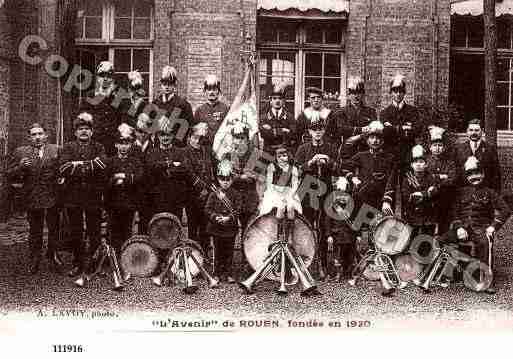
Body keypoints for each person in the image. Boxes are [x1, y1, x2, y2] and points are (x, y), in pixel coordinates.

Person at [442, 156, 511, 294]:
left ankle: (486, 280)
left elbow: (506, 210)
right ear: (467, 176)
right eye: (471, 174)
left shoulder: (490, 192)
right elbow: (453, 212)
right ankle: (447, 273)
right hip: (463, 228)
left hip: (481, 229)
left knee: (485, 243)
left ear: (483, 174)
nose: (475, 177)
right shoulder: (461, 192)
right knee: (440, 240)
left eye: (478, 173)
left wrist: (493, 226)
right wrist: (459, 227)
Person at [7, 123, 63, 274]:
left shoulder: (56, 150)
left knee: (54, 228)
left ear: (46, 135)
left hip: (52, 196)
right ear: (29, 137)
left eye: (40, 134)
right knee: (35, 230)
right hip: (32, 196)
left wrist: (61, 180)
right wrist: (20, 167)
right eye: (34, 134)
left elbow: (62, 170)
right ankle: (34, 257)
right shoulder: (20, 152)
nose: (37, 137)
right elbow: (9, 173)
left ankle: (53, 255)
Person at [59, 112, 107, 278]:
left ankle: (94, 263)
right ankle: (78, 263)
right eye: (80, 129)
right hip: (73, 196)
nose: (84, 132)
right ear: (75, 132)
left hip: (93, 195)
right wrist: (89, 165)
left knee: (94, 231)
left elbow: (102, 164)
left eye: (87, 129)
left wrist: (77, 164)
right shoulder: (68, 147)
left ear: (92, 132)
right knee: (76, 231)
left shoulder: (98, 147)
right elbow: (64, 167)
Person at [295, 118, 338, 279]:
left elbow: (338, 169)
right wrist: (310, 163)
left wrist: (329, 162)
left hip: (325, 193)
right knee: (306, 227)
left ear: (324, 131)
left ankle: (322, 264)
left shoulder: (331, 148)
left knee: (322, 228)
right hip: (306, 193)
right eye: (314, 129)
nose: (317, 132)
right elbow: (296, 171)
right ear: (309, 131)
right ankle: (305, 263)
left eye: (320, 129)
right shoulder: (303, 149)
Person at [104, 124, 144, 256]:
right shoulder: (110, 161)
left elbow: (139, 178)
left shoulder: (135, 162)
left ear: (131, 145)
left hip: (129, 203)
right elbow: (105, 181)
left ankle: (126, 259)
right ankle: (113, 260)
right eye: (120, 143)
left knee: (127, 231)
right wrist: (113, 179)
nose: (123, 147)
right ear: (116, 145)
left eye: (126, 143)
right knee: (113, 232)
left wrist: (122, 176)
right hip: (113, 203)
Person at [145, 116, 192, 219]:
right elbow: (151, 168)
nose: (165, 138)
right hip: (157, 197)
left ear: (173, 135)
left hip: (176, 197)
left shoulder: (180, 152)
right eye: (162, 135)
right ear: (157, 135)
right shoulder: (152, 152)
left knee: (175, 226)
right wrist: (170, 164)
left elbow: (185, 170)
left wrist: (162, 168)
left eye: (168, 135)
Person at [205, 160, 242, 283]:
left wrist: (229, 218)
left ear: (232, 179)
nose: (225, 182)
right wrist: (215, 217)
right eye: (222, 179)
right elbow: (208, 209)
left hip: (230, 228)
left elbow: (238, 210)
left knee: (229, 252)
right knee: (217, 251)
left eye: (228, 179)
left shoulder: (236, 194)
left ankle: (228, 273)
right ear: (218, 179)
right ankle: (216, 273)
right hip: (217, 228)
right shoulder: (214, 193)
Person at [220, 123, 260, 231]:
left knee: (248, 228)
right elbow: (225, 176)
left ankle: (244, 247)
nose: (238, 141)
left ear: (247, 140)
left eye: (242, 138)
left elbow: (253, 177)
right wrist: (240, 176)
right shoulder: (227, 155)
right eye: (236, 138)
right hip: (232, 195)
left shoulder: (255, 155)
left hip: (249, 196)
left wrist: (236, 175)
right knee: (229, 227)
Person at [380, 74, 421, 175]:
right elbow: (385, 133)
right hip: (390, 152)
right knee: (390, 181)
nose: (398, 94)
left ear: (404, 93)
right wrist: (404, 128)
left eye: (401, 91)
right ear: (391, 93)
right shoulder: (384, 112)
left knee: (408, 180)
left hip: (408, 152)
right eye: (395, 91)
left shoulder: (413, 111)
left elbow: (416, 131)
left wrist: (393, 128)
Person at [184, 122, 215, 253]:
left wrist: (207, 189)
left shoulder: (206, 151)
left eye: (200, 138)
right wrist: (201, 188)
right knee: (192, 226)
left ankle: (205, 253)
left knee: (205, 226)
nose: (197, 141)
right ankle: (193, 254)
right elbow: (189, 172)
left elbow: (210, 170)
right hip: (192, 195)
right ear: (189, 137)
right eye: (195, 137)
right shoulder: (185, 152)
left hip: (206, 195)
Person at [80, 61, 121, 156]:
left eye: (109, 76)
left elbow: (122, 117)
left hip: (113, 141)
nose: (105, 79)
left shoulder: (118, 96)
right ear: (98, 78)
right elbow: (83, 118)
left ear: (112, 78)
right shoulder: (91, 95)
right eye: (102, 75)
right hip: (95, 140)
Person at [327, 76, 377, 152]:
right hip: (347, 150)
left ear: (363, 94)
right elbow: (342, 129)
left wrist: (357, 137)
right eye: (353, 93)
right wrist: (362, 129)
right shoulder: (341, 111)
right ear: (349, 95)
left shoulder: (371, 112)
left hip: (365, 150)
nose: (356, 96)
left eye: (359, 93)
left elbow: (373, 130)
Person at [454, 118, 501, 193]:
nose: (473, 133)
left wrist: (495, 194)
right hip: (464, 192)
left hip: (484, 192)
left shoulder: (490, 149)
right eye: (471, 130)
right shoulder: (459, 149)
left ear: (482, 131)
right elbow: (456, 173)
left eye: (476, 130)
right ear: (467, 131)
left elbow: (496, 175)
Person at [152, 66, 195, 147]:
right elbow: (151, 127)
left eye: (170, 83)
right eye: (164, 84)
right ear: (161, 85)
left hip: (178, 147)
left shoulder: (183, 105)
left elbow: (190, 128)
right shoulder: (155, 104)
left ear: (174, 84)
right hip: (159, 147)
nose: (167, 87)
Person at [425, 126, 457, 233]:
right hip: (429, 200)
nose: (437, 148)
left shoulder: (449, 162)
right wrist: (440, 177)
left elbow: (452, 179)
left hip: (445, 199)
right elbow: (425, 178)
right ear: (430, 147)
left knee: (444, 227)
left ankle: (441, 246)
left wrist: (436, 182)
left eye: (440, 145)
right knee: (429, 227)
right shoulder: (426, 162)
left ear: (443, 148)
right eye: (434, 145)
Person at [259, 83, 296, 154]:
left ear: (283, 101)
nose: (277, 101)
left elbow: (293, 134)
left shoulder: (290, 117)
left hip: (285, 151)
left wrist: (271, 130)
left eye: (280, 98)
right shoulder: (264, 117)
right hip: (268, 151)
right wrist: (283, 130)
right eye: (274, 98)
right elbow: (264, 134)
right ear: (270, 101)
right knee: (259, 165)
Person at [194, 75, 230, 147]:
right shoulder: (199, 110)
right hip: (204, 148)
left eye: (214, 89)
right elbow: (194, 133)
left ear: (219, 91)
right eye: (209, 89)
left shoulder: (225, 109)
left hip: (221, 147)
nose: (211, 92)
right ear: (205, 91)